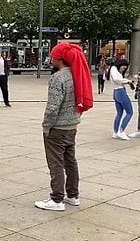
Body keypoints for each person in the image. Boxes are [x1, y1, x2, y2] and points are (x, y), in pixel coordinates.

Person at [35, 42, 92, 211]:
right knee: (70, 161)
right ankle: (73, 195)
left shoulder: (58, 77)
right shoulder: (77, 74)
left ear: (58, 59)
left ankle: (57, 199)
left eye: (52, 56)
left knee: (56, 163)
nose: (50, 59)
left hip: (58, 128)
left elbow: (53, 106)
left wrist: (46, 127)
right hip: (72, 125)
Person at [108, 59, 134, 140]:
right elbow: (117, 79)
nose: (123, 69)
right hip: (120, 92)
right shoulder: (114, 69)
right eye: (123, 67)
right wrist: (127, 81)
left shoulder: (113, 69)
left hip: (116, 92)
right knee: (130, 112)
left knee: (119, 113)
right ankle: (121, 131)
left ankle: (116, 132)